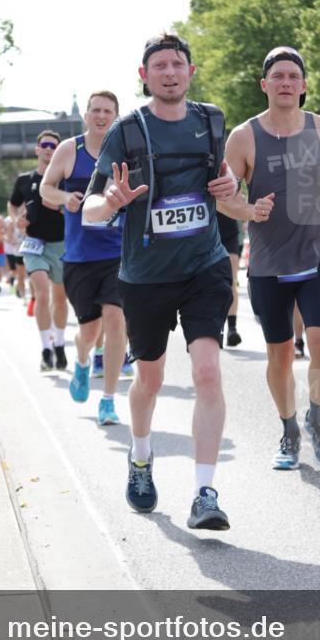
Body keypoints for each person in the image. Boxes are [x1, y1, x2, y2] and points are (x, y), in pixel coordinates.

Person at [83, 32, 238, 530]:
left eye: (178, 64)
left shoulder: (211, 121)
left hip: (204, 266)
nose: (170, 72)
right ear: (144, 76)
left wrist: (234, 190)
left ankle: (205, 493)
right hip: (145, 277)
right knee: (148, 380)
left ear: (190, 72)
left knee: (207, 374)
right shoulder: (127, 132)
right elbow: (89, 210)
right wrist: (113, 203)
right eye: (160, 66)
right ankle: (142, 456)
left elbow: (228, 195)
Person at [223, 45, 320, 472]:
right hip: (268, 264)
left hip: (317, 256)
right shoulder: (243, 137)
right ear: (264, 85)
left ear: (304, 85)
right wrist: (248, 210)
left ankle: (316, 416)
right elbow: (224, 199)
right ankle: (289, 428)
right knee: (278, 355)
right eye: (277, 76)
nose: (286, 83)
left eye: (293, 76)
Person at [41, 91, 127, 425]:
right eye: (96, 111)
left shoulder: (125, 150)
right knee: (89, 332)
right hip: (79, 255)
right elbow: (45, 188)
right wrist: (65, 197)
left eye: (108, 111)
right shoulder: (69, 150)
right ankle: (80, 360)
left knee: (116, 318)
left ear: (116, 116)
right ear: (86, 116)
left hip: (117, 251)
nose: (101, 116)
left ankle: (108, 400)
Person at [9, 131, 68, 371]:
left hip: (61, 244)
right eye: (44, 145)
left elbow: (78, 205)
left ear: (58, 151)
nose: (48, 149)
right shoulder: (24, 180)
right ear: (37, 150)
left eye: (53, 146)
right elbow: (13, 204)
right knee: (42, 294)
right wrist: (16, 221)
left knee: (60, 298)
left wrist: (64, 207)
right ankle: (45, 348)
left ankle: (60, 344)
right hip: (34, 244)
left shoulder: (65, 179)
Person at [216, 210, 243, 346]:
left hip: (230, 232)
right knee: (214, 284)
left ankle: (232, 328)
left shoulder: (236, 187)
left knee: (231, 281)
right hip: (208, 232)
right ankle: (217, 328)